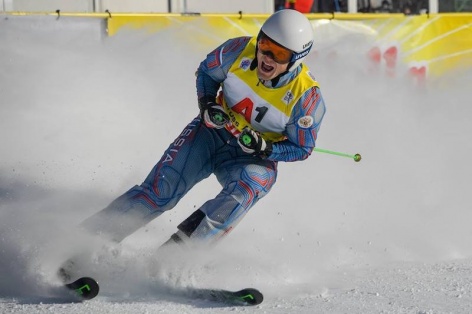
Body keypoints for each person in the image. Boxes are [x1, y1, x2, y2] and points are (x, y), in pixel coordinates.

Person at [59, 9, 326, 281]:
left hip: (248, 157)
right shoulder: (238, 50)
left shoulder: (306, 100)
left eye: (279, 55)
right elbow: (206, 74)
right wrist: (207, 103)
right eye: (265, 45)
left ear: (296, 60)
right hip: (209, 134)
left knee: (250, 187)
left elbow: (301, 148)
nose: (266, 58)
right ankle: (80, 245)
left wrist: (267, 150)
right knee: (160, 192)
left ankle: (173, 258)